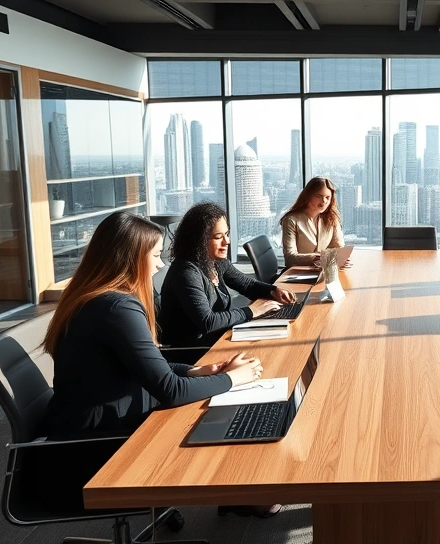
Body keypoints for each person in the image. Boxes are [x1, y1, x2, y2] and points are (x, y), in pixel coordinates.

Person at [41, 212, 281, 520]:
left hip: (87, 425)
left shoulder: (95, 299)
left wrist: (196, 370)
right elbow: (169, 392)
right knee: (225, 410)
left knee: (215, 399)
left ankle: (238, 490)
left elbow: (144, 366)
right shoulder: (118, 308)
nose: (160, 264)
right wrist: (233, 379)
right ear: (129, 259)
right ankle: (236, 490)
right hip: (100, 447)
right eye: (154, 255)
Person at [158, 202, 296, 349]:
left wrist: (273, 291)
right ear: (198, 241)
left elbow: (248, 285)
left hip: (217, 338)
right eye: (218, 237)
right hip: (193, 350)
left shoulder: (216, 262)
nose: (227, 242)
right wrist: (252, 310)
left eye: (227, 234)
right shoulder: (186, 272)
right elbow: (208, 322)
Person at [281, 176, 345, 267]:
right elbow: (290, 258)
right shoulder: (291, 220)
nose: (324, 201)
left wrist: (341, 258)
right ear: (308, 196)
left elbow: (339, 249)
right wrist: (319, 258)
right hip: (298, 273)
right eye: (319, 196)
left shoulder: (331, 218)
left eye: (328, 197)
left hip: (323, 271)